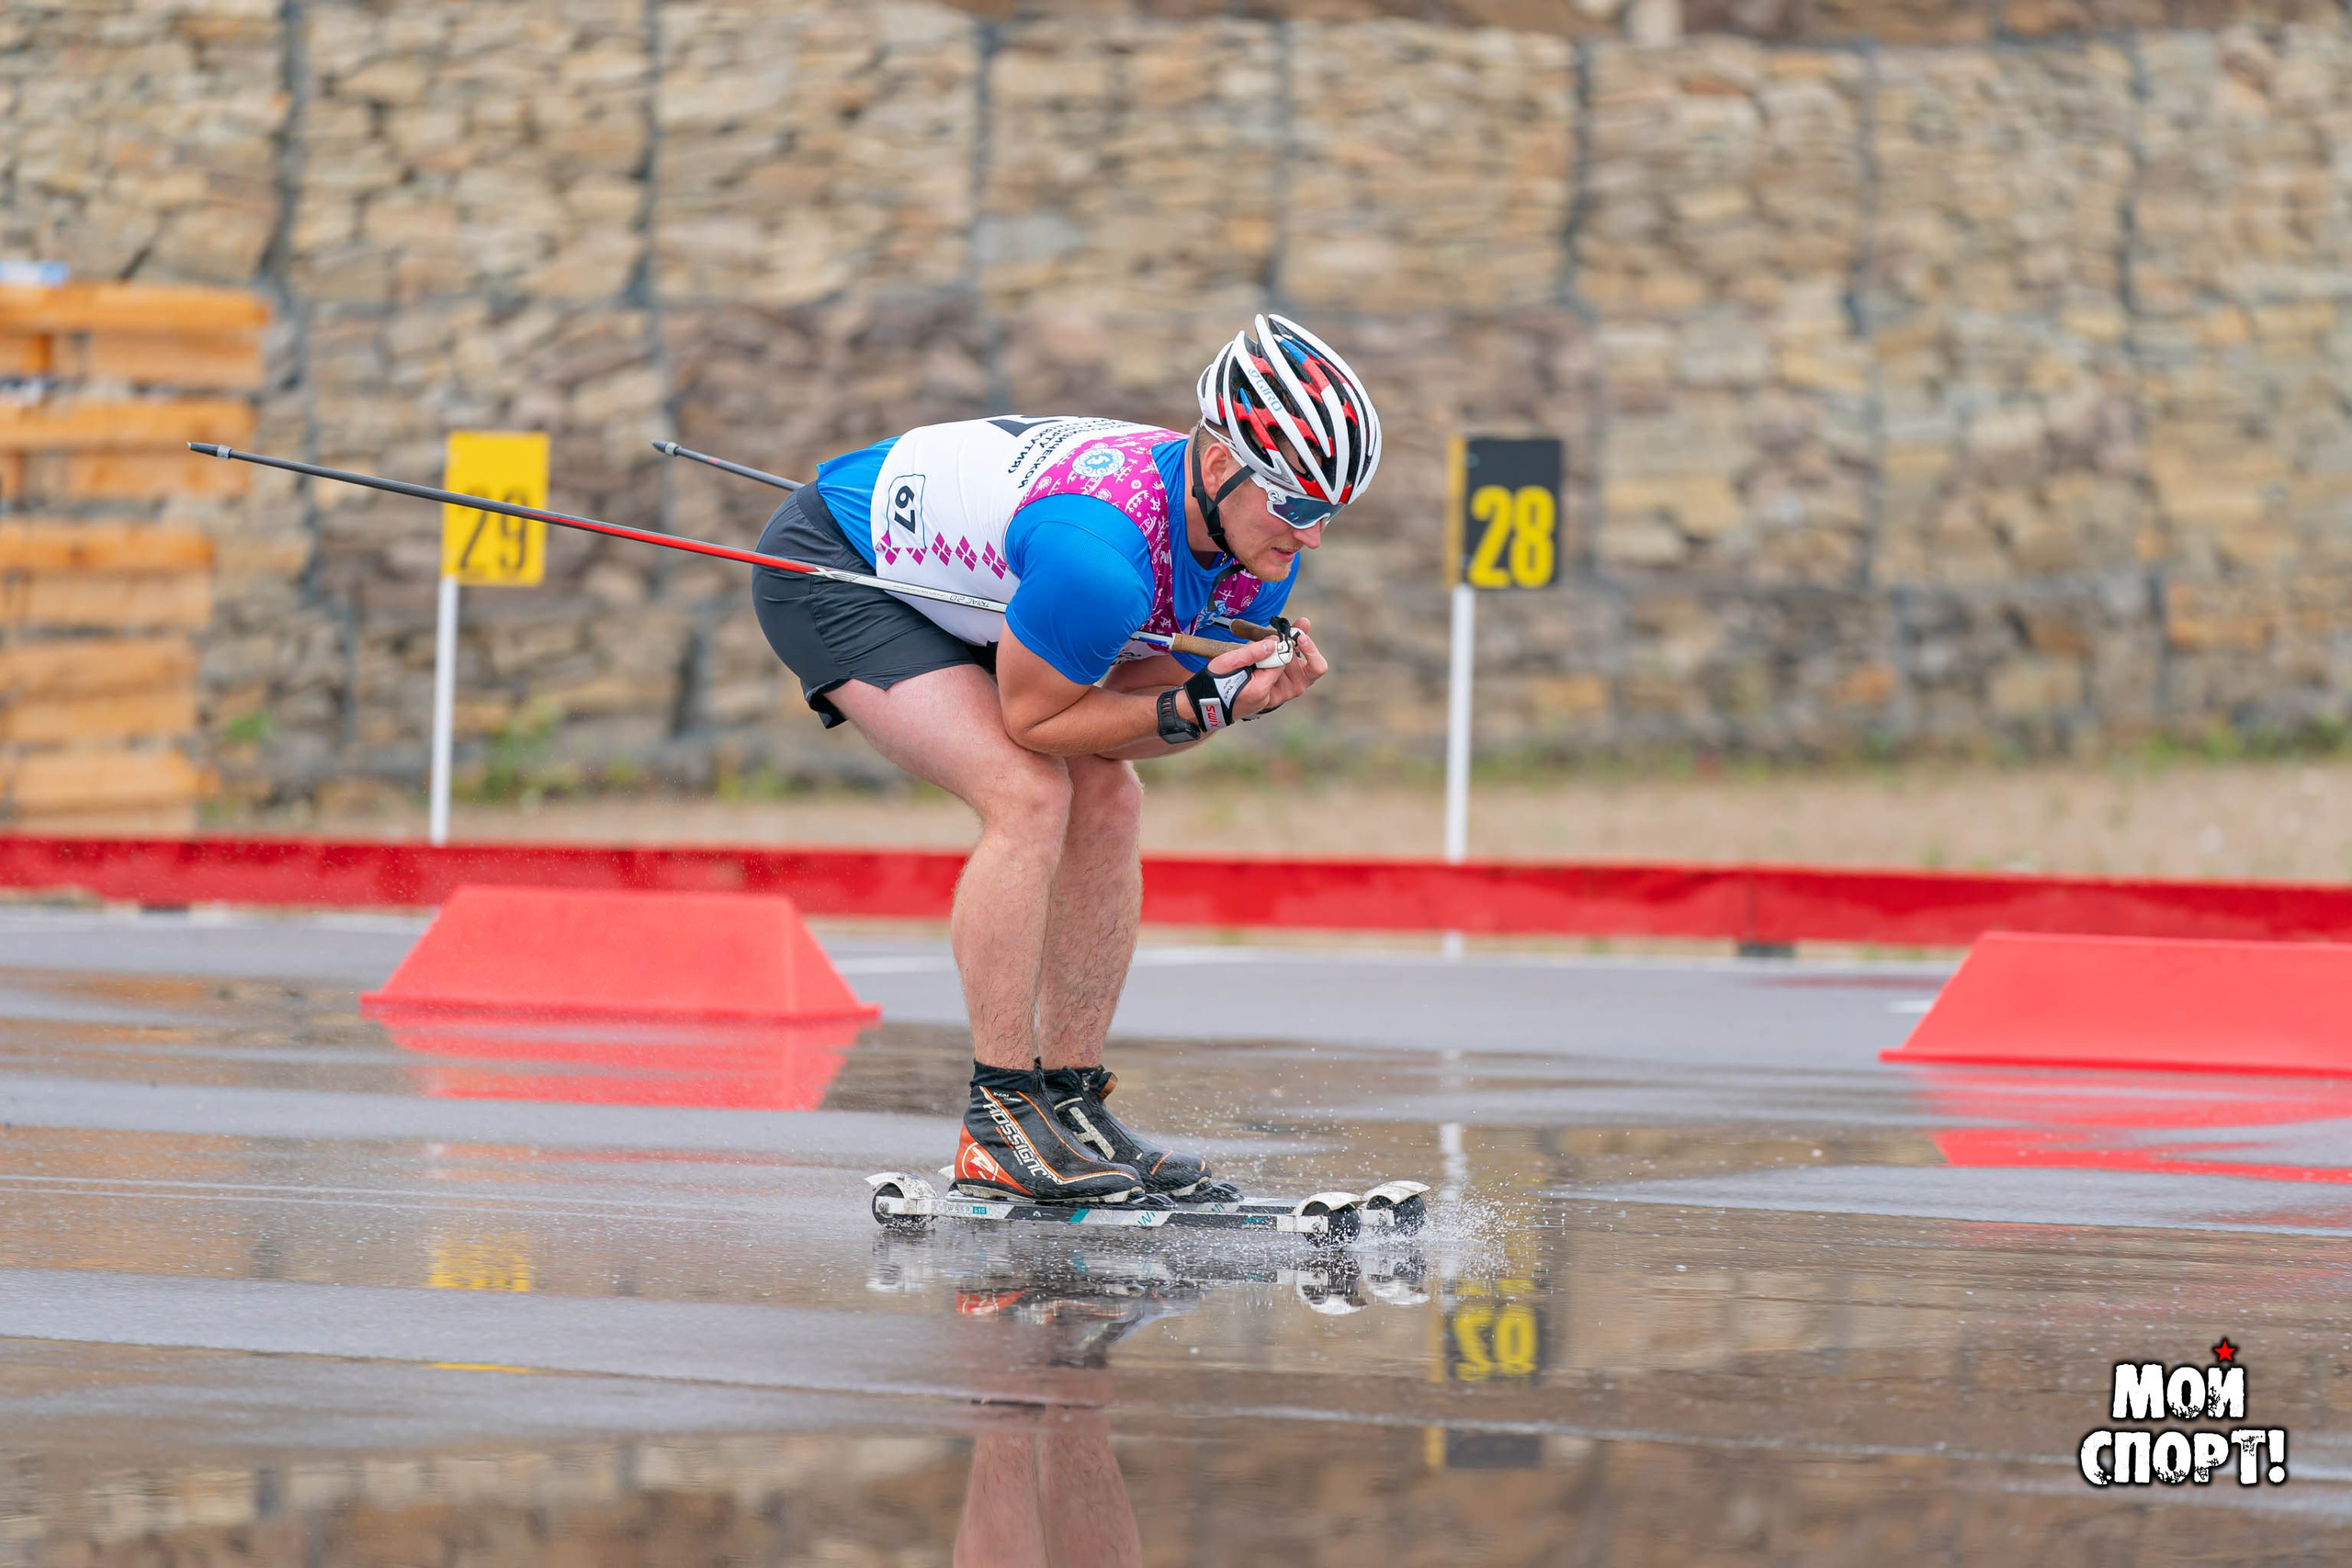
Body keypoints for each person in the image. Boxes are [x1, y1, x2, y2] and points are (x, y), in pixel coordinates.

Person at [752, 315, 1383, 1205]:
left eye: (1332, 513)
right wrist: (1199, 699)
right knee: (1028, 793)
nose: (1311, 537)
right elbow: (1040, 719)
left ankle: (1070, 1100)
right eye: (1300, 506)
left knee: (1109, 798)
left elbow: (1127, 727)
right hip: (841, 566)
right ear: (1217, 466)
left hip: (996, 585)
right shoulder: (1103, 559)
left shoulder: (1255, 559)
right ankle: (1000, 1118)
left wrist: (1228, 702)